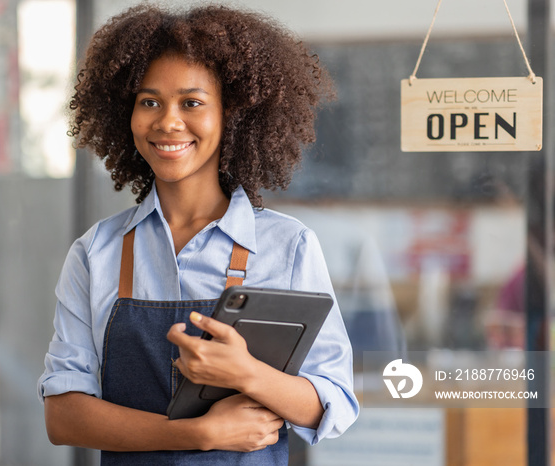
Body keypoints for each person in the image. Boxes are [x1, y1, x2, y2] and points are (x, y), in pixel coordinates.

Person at [37, 4, 359, 464]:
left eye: (192, 103)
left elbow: (335, 402)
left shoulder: (288, 247)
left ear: (233, 114)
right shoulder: (96, 252)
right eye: (149, 102)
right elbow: (64, 417)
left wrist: (248, 373)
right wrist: (199, 433)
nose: (168, 121)